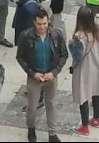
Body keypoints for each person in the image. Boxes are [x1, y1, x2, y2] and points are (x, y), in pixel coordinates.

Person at [17, 8, 68, 142]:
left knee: (51, 104)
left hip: (51, 76)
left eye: (45, 23)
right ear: (34, 22)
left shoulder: (56, 34)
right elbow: (20, 57)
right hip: (35, 77)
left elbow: (64, 55)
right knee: (32, 106)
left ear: (48, 21)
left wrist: (55, 72)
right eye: (39, 24)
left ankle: (52, 133)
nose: (42, 27)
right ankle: (31, 128)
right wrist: (32, 73)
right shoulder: (26, 36)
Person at [70, 6, 99, 137]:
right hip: (97, 67)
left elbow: (77, 56)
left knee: (83, 96)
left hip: (84, 69)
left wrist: (71, 44)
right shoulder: (98, 30)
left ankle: (84, 126)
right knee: (96, 92)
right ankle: (96, 119)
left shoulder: (78, 36)